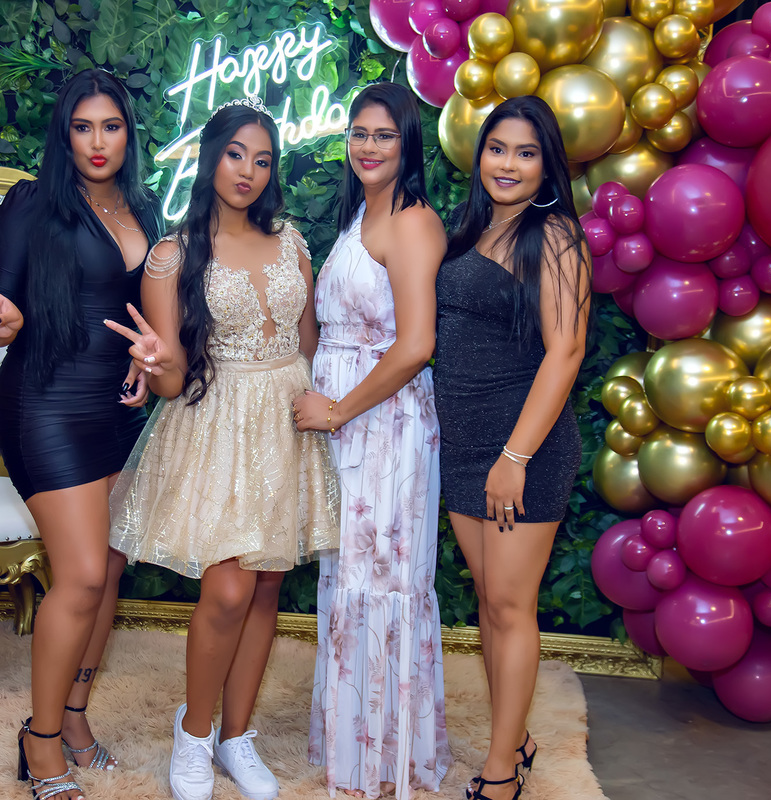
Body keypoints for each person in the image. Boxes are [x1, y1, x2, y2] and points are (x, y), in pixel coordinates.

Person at [106, 98, 340, 800]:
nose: (248, 171)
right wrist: (153, 362)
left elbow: (307, 344)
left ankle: (237, 737)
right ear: (212, 158)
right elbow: (173, 378)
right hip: (217, 425)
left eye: (263, 160)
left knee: (267, 584)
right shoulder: (172, 256)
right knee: (230, 587)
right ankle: (194, 732)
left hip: (284, 421)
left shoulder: (293, 241)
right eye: (236, 154)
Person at [0, 69, 163, 800]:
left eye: (111, 126)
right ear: (63, 134)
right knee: (82, 576)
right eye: (82, 126)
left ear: (128, 134)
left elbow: (143, 315)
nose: (98, 142)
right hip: (44, 404)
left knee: (111, 567)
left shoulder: (144, 208)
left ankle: (73, 717)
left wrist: (145, 363)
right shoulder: (30, 205)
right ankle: (39, 741)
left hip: (117, 409)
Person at [296, 82, 450, 800]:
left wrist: (336, 411)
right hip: (352, 424)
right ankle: (354, 746)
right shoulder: (361, 212)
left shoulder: (413, 222)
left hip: (384, 426)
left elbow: (416, 345)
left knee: (381, 581)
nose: (367, 145)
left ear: (407, 142)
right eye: (358, 132)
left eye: (384, 134)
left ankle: (384, 759)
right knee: (350, 578)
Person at [435, 96, 591, 800]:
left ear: (546, 165)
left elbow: (566, 353)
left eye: (526, 153)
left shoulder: (554, 236)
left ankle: (501, 772)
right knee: (491, 601)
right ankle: (515, 737)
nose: (508, 164)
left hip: (523, 448)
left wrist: (515, 458)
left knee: (508, 605)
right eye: (498, 148)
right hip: (464, 444)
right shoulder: (473, 226)